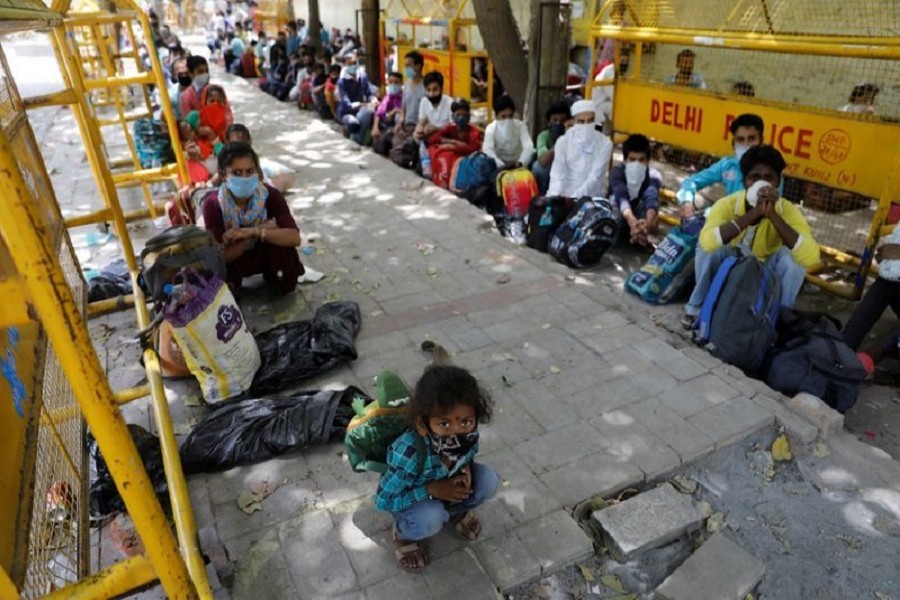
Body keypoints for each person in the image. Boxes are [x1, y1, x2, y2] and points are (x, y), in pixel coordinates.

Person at [375, 365, 499, 571]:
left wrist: (466, 467)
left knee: (489, 481)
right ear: (423, 425)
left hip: (447, 489)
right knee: (431, 519)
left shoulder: (470, 436)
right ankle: (403, 534)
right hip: (414, 499)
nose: (457, 432)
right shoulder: (408, 454)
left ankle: (456, 512)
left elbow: (470, 451)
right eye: (444, 424)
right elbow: (383, 501)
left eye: (466, 421)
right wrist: (431, 490)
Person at [681, 145, 820, 329]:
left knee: (794, 261)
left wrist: (773, 216)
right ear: (745, 181)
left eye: (769, 178)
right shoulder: (727, 204)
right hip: (732, 266)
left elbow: (811, 256)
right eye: (755, 178)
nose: (761, 184)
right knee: (708, 246)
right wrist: (752, 215)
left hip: (764, 270)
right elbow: (707, 242)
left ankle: (775, 323)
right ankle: (696, 309)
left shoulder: (787, 211)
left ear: (777, 182)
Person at [202, 142, 303, 294]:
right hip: (235, 259)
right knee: (216, 277)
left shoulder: (270, 195)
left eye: (250, 171)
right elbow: (219, 257)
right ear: (223, 175)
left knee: (283, 246)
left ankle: (275, 279)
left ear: (258, 171)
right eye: (237, 173)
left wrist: (253, 232)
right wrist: (255, 233)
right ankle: (234, 286)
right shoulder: (213, 204)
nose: (245, 178)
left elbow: (294, 238)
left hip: (263, 252)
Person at [676, 113, 771, 220]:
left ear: (761, 141)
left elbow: (765, 210)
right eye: (740, 140)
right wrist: (686, 203)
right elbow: (691, 182)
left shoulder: (771, 171)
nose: (746, 145)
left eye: (751, 139)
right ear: (733, 144)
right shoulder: (728, 165)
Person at [546, 100, 613, 198]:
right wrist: (555, 198)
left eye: (590, 121)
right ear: (573, 121)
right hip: (565, 196)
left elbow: (594, 178)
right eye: (581, 121)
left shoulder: (605, 143)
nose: (586, 125)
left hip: (593, 198)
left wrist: (574, 199)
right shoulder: (563, 142)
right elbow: (557, 175)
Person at [609, 134, 661, 247]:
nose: (636, 164)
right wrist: (632, 221)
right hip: (622, 217)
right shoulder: (617, 172)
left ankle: (639, 235)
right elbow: (621, 196)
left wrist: (649, 222)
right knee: (614, 200)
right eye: (632, 160)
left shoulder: (654, 175)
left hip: (640, 220)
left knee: (652, 209)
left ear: (648, 161)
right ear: (625, 160)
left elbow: (651, 197)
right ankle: (634, 236)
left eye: (641, 160)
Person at [426, 99, 483, 189]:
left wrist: (453, 147)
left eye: (464, 115)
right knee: (434, 148)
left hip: (465, 160)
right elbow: (432, 139)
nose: (461, 118)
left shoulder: (474, 132)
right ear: (453, 117)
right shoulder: (451, 128)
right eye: (458, 115)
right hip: (454, 155)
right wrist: (452, 142)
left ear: (469, 117)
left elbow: (473, 148)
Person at [482, 95, 535, 171]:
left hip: (519, 165)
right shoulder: (491, 129)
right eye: (503, 117)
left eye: (510, 116)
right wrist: (501, 165)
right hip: (498, 166)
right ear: (496, 116)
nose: (507, 120)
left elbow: (529, 147)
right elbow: (488, 150)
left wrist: (520, 163)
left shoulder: (521, 126)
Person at [180, 56, 234, 126]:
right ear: (190, 73)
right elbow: (188, 124)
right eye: (200, 71)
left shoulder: (218, 90)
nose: (204, 74)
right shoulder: (185, 97)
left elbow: (228, 114)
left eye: (206, 71)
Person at [531, 100, 571, 195]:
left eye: (562, 120)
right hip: (550, 168)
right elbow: (542, 161)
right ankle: (542, 198)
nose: (558, 123)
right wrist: (559, 143)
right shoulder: (543, 136)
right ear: (549, 122)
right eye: (555, 120)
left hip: (569, 169)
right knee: (538, 168)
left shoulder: (573, 135)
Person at [337, 56, 375, 145]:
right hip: (347, 112)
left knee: (369, 113)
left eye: (354, 63)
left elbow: (368, 92)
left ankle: (359, 141)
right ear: (345, 65)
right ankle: (350, 133)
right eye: (349, 64)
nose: (352, 66)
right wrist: (362, 104)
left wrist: (373, 99)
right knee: (354, 124)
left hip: (360, 109)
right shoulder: (342, 81)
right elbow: (347, 103)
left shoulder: (362, 76)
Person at [413, 71, 453, 143]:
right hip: (429, 139)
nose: (431, 94)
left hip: (446, 140)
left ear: (441, 89)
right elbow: (422, 120)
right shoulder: (424, 101)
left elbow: (454, 130)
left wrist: (437, 129)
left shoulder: (450, 103)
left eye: (435, 89)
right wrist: (419, 128)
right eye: (428, 90)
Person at [373, 71, 404, 139]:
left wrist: (395, 110)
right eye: (391, 82)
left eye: (396, 82)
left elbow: (404, 112)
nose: (393, 84)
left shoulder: (404, 97)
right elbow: (379, 113)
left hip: (399, 126)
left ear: (401, 83)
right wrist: (375, 127)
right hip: (386, 125)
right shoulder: (387, 97)